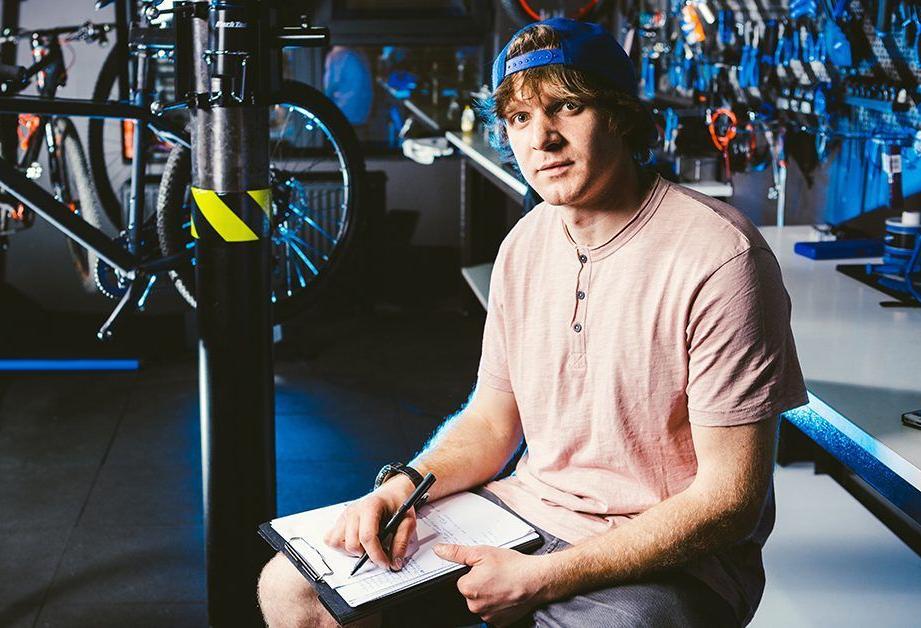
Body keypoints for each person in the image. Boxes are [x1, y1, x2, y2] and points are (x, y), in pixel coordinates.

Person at [257, 18, 807, 627]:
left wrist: (540, 579)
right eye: (520, 118)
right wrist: (400, 488)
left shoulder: (721, 258)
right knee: (293, 587)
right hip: (525, 512)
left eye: (567, 106)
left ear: (621, 117)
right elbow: (492, 423)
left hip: (663, 551)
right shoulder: (525, 242)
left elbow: (728, 501)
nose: (541, 139)